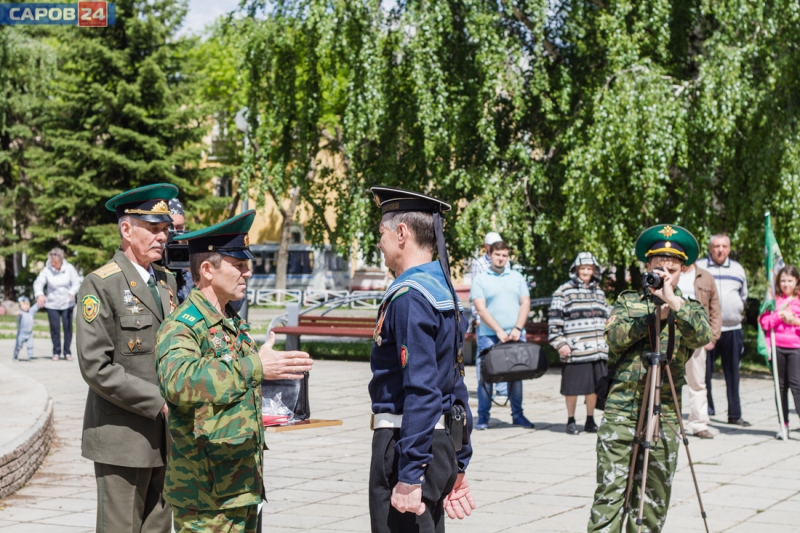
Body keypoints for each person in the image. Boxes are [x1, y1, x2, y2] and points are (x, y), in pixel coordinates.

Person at [156, 210, 313, 533]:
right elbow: (178, 380)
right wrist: (256, 366)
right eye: (238, 265)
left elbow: (236, 382)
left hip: (241, 487)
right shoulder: (184, 325)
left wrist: (278, 388)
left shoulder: (230, 321)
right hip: (205, 496)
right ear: (207, 270)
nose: (248, 272)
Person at [588, 224, 712, 533]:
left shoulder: (689, 308)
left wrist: (673, 304)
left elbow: (702, 336)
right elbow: (614, 338)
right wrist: (652, 318)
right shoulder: (629, 301)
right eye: (659, 269)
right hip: (622, 410)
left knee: (653, 498)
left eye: (672, 270)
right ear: (648, 267)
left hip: (665, 412)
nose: (664, 275)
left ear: (683, 271)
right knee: (610, 493)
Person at [369, 186, 476, 533]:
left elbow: (422, 389)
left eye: (382, 234)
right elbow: (455, 384)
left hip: (406, 440)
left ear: (401, 233)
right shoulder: (442, 292)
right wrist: (458, 460)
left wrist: (410, 473)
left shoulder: (410, 297)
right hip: (438, 442)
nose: (379, 243)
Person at [75, 183, 180, 533]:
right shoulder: (101, 284)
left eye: (165, 229)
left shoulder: (166, 282)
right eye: (153, 228)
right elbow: (95, 366)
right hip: (122, 438)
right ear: (126, 229)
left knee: (158, 529)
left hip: (166, 437)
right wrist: (158, 401)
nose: (162, 237)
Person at [470, 240, 534, 430]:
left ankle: (518, 415)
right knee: (486, 377)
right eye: (497, 255)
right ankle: (483, 417)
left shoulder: (517, 277)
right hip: (489, 336)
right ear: (490, 255)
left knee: (517, 375)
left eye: (504, 255)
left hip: (515, 335)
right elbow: (480, 309)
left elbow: (525, 303)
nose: (501, 259)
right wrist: (498, 330)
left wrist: (517, 328)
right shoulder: (481, 279)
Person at [548, 252, 609, 435]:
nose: (586, 272)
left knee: (593, 389)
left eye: (589, 268)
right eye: (583, 268)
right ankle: (571, 420)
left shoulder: (599, 293)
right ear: (575, 270)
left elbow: (607, 319)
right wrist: (560, 344)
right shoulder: (563, 291)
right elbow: (554, 322)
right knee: (572, 389)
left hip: (597, 351)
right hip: (574, 351)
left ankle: (590, 420)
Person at [696, 234, 751, 426]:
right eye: (717, 246)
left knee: (733, 374)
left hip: (732, 329)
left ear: (729, 248)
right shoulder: (699, 267)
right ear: (710, 248)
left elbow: (743, 296)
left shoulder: (737, 269)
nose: (720, 250)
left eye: (724, 246)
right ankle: (706, 410)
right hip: (706, 330)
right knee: (703, 373)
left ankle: (735, 414)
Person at [678, 259, 722, 439]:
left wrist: (713, 335)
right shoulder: (670, 273)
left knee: (697, 381)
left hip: (696, 335)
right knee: (666, 380)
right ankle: (666, 421)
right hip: (671, 334)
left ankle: (699, 424)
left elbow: (715, 308)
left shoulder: (705, 277)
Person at [759, 264, 800, 438]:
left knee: (797, 386)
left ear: (796, 281)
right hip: (777, 347)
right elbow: (764, 322)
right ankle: (783, 424)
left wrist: (795, 321)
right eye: (783, 280)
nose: (786, 284)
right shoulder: (773, 300)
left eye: (790, 280)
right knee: (780, 386)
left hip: (796, 348)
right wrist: (779, 316)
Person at [470, 232, 509, 398]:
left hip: (502, 317)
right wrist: (478, 317)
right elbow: (475, 292)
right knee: (484, 355)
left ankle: (502, 390)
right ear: (486, 247)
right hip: (484, 318)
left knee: (503, 354)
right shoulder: (478, 264)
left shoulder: (505, 262)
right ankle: (485, 390)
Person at [33, 247, 81, 361]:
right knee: (55, 329)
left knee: (67, 328)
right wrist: (39, 294)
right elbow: (38, 283)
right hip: (52, 303)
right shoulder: (47, 270)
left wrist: (72, 291)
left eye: (55, 262)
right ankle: (56, 352)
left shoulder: (69, 268)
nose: (53, 264)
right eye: (51, 261)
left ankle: (67, 352)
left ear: (61, 260)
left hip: (67, 303)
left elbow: (77, 282)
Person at [167, 197, 194, 303]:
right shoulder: (149, 267)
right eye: (169, 228)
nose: (174, 234)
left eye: (179, 228)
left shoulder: (190, 266)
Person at [14, 296, 40, 361]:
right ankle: (15, 356)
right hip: (21, 333)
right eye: (24, 305)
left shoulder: (31, 312)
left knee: (30, 345)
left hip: (29, 333)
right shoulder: (20, 313)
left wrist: (40, 301)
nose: (26, 306)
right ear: (20, 306)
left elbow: (36, 307)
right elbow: (18, 317)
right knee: (18, 346)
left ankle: (30, 356)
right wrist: (18, 314)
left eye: (28, 304)